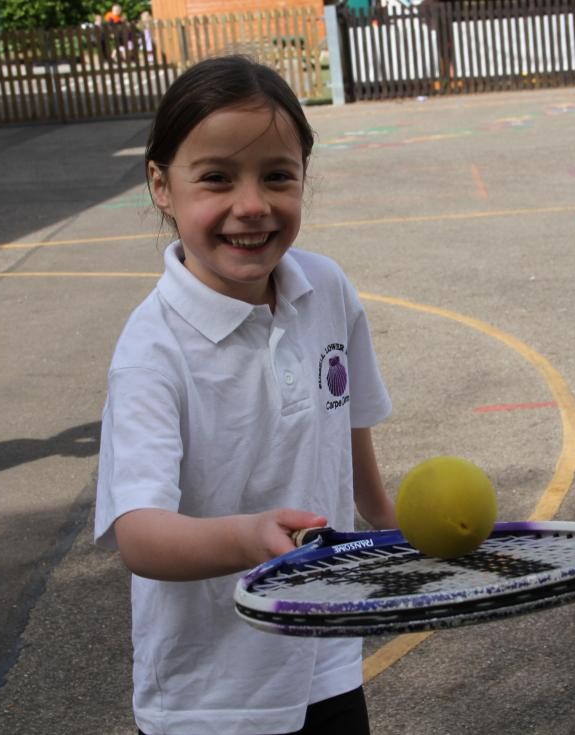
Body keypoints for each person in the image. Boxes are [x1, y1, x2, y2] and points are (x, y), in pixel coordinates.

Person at [94, 55, 398, 734]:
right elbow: (140, 535)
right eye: (216, 178)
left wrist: (390, 522)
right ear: (161, 186)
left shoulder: (327, 289)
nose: (253, 205)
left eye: (278, 176)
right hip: (213, 693)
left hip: (325, 650)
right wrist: (250, 537)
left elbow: (348, 423)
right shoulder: (153, 348)